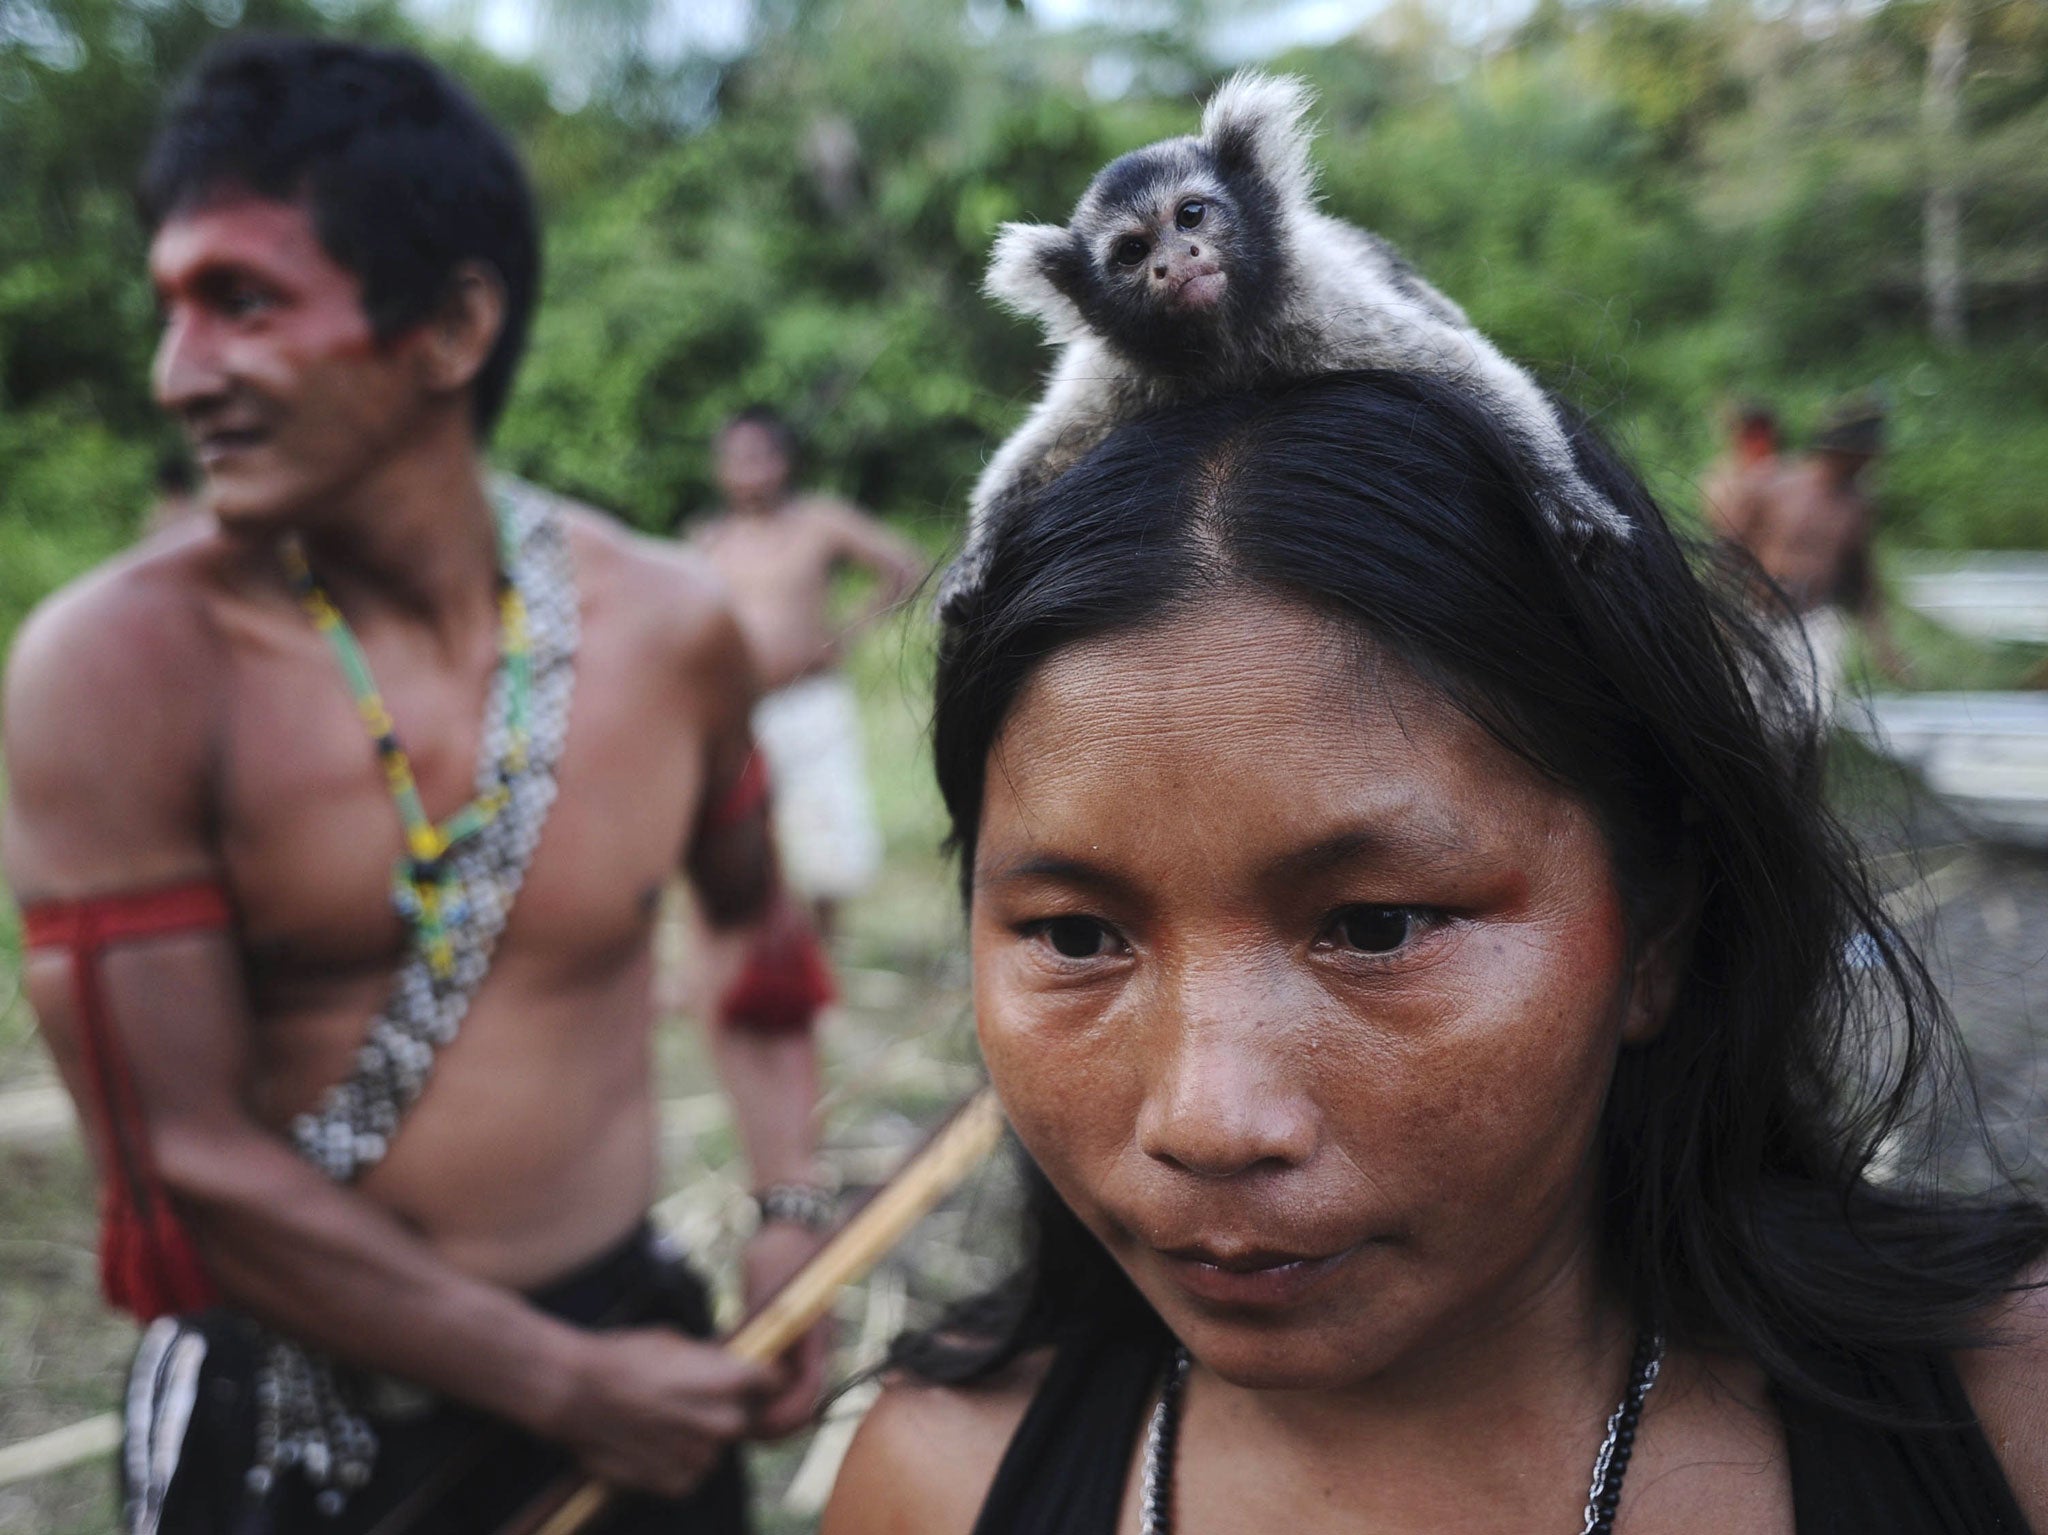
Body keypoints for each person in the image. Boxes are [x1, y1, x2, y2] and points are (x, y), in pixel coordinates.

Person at [822, 370, 2048, 1533]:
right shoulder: (937, 1484)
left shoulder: (2008, 1414)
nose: (1207, 1117)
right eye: (1076, 935)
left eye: (1374, 926)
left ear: (1658, 922)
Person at [2, 37, 832, 1535]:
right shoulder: (120, 668)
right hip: (298, 1414)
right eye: (169, 306)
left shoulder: (667, 629)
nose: (175, 373)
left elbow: (762, 950)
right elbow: (178, 1165)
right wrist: (566, 1385)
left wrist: (785, 1220)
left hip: (625, 1343)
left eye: (242, 301)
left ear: (450, 325)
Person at [691, 407, 926, 931]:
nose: (747, 469)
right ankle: (751, 948)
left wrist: (847, 633)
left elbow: (904, 565)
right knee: (737, 835)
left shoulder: (818, 521)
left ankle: (822, 948)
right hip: (737, 710)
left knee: (825, 833)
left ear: (783, 461)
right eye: (735, 457)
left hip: (810, 700)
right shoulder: (709, 540)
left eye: (758, 455)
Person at [1712, 397, 1911, 719]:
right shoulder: (1772, 484)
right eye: (1866, 452)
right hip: (1757, 616)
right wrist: (1721, 614)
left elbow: (1862, 580)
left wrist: (1884, 646)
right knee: (1747, 715)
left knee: (1810, 718)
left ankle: (1798, 769)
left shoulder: (1857, 506)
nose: (1871, 459)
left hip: (1814, 621)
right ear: (1845, 450)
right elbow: (1729, 550)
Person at [1699, 399, 1780, 539]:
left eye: (1763, 433)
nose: (1760, 442)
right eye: (1753, 435)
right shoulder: (1720, 476)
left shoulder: (1785, 472)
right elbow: (1720, 522)